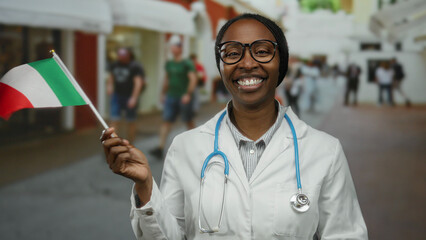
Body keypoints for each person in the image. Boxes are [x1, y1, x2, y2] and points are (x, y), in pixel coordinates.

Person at [101, 13, 368, 239]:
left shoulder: (325, 152)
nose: (248, 63)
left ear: (281, 63)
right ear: (221, 66)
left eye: (262, 51)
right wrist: (146, 186)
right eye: (232, 53)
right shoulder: (186, 147)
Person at [149, 35, 197, 159]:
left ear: (180, 48)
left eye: (174, 46)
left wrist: (188, 94)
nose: (172, 49)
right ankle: (160, 148)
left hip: (183, 97)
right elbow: (167, 79)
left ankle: (196, 145)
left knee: (188, 121)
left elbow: (193, 79)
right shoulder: (169, 64)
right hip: (171, 96)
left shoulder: (187, 63)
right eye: (171, 47)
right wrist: (162, 94)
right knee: (166, 121)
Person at [107, 47, 145, 143]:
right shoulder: (115, 64)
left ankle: (130, 144)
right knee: (114, 119)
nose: (121, 57)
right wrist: (110, 86)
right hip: (117, 95)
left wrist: (134, 98)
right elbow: (111, 77)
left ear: (129, 55)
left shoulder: (135, 66)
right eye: (119, 55)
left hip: (130, 95)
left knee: (131, 121)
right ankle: (113, 144)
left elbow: (138, 83)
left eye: (123, 55)